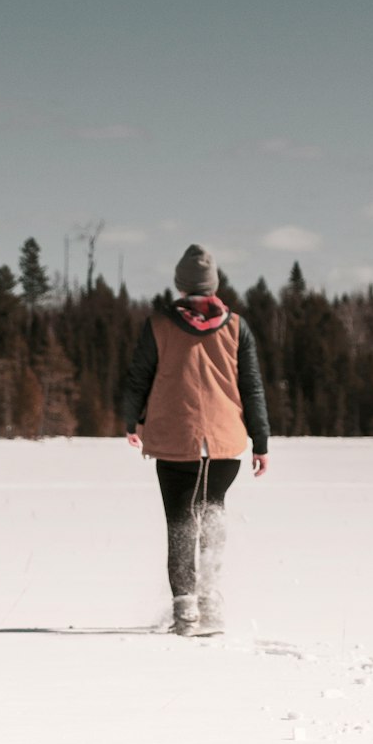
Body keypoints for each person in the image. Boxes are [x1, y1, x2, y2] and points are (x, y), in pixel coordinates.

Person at [119, 243, 270, 636]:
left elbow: (139, 376)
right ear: (213, 285)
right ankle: (211, 603)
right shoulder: (237, 325)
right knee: (212, 514)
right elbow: (251, 387)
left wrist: (130, 421)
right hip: (224, 441)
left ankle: (186, 610)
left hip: (175, 438)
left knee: (180, 521)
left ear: (181, 285)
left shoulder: (159, 324)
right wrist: (261, 442)